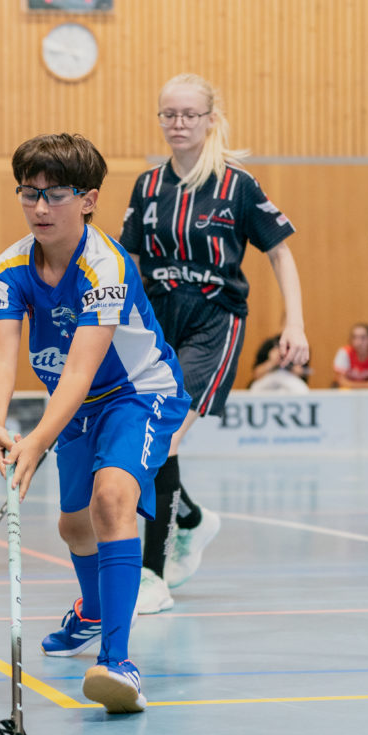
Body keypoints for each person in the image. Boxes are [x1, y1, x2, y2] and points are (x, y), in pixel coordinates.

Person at [0, 132, 190, 714]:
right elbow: (0, 355)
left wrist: (35, 441)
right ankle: (93, 611)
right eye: (29, 193)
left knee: (112, 500)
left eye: (55, 195)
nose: (40, 207)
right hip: (76, 406)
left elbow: (79, 371)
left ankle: (118, 662)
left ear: (89, 200)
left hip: (136, 394)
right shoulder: (9, 267)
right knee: (75, 528)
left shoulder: (106, 266)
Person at [119, 73, 309, 613]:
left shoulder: (237, 185)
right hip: (157, 324)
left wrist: (294, 323)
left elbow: (280, 252)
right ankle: (192, 519)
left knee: (164, 438)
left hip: (214, 321)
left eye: (189, 114)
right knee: (147, 440)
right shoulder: (147, 186)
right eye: (169, 114)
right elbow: (128, 259)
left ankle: (152, 577)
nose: (178, 123)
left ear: (210, 119)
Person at [332, 322, 368, 389]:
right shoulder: (344, 353)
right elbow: (341, 382)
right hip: (349, 392)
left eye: (363, 338)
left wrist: (353, 385)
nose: (359, 342)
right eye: (355, 337)